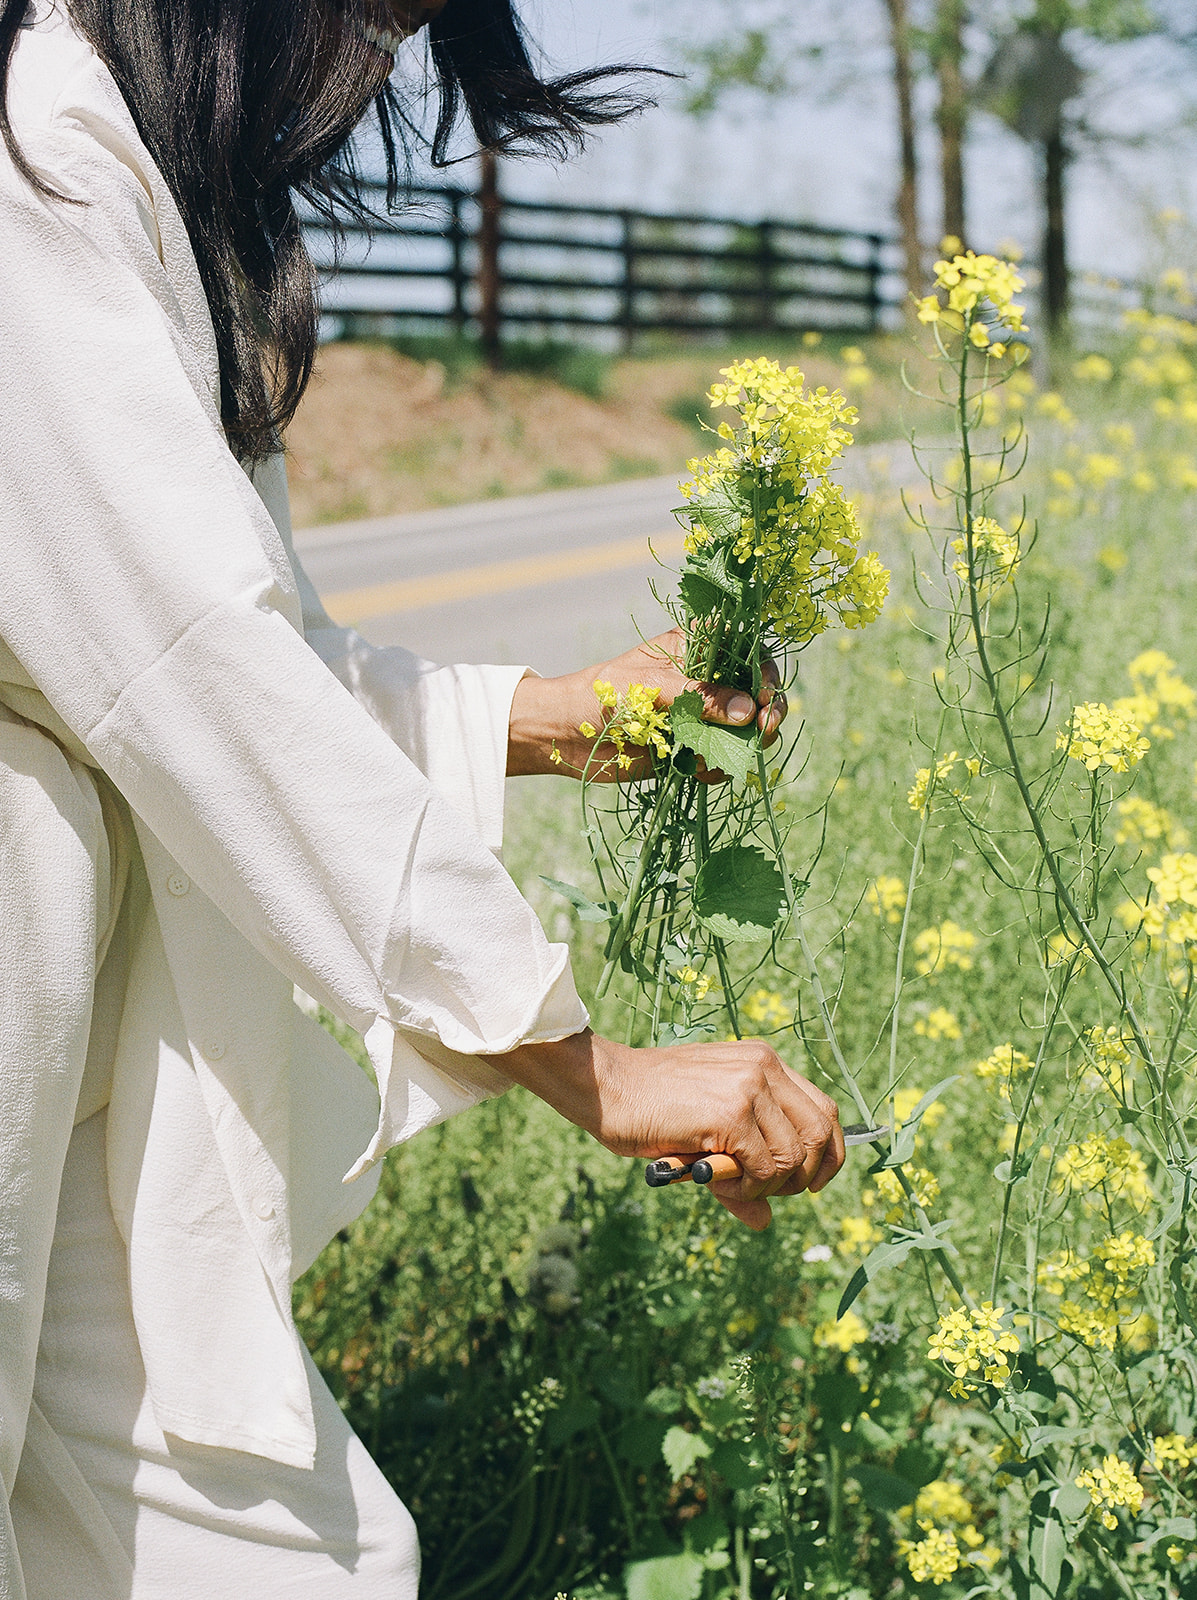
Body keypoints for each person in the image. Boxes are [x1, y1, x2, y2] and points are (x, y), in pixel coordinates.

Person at [0, 0, 845, 1593]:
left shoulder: (127, 161)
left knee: (296, 1562)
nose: (384, 69)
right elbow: (196, 683)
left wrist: (569, 719)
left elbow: (249, 652)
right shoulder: (35, 144)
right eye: (382, 16)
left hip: (85, 1014)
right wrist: (584, 1065)